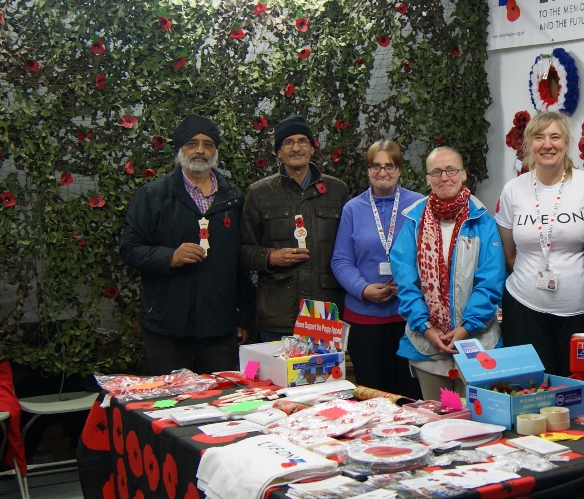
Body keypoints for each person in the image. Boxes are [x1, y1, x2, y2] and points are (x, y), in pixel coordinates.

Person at [119, 114, 254, 375]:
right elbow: (130, 249)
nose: (200, 150)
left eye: (208, 144)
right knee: (172, 406)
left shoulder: (232, 198)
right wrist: (170, 257)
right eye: (192, 143)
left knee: (219, 404)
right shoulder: (153, 195)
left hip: (219, 329)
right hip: (167, 328)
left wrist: (242, 317)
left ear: (215, 151)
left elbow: (240, 264)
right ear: (179, 148)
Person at [391, 147, 505, 400]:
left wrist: (467, 327)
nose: (445, 177)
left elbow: (490, 281)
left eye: (451, 170)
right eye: (437, 172)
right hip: (426, 345)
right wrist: (426, 328)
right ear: (428, 179)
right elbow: (406, 282)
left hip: (477, 341)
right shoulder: (413, 222)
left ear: (463, 174)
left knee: (477, 423)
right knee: (435, 424)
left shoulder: (483, 221)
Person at [495, 111, 584, 375]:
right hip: (524, 309)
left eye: (555, 137)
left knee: (580, 393)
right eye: (539, 137)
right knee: (529, 393)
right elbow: (509, 255)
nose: (547, 144)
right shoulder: (513, 189)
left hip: (583, 311)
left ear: (567, 143)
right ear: (529, 144)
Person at [240, 114, 350, 340]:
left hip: (324, 312)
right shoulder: (259, 193)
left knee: (322, 375)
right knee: (278, 376)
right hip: (278, 313)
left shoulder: (337, 191)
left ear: (312, 149)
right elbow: (243, 251)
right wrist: (271, 257)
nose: (296, 148)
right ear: (278, 152)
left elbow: (349, 249)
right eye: (288, 143)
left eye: (302, 141)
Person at [331, 140, 424, 397]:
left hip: (411, 316)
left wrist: (408, 283)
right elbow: (341, 260)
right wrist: (363, 289)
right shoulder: (352, 208)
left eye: (389, 166)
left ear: (399, 169)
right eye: (376, 166)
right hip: (365, 318)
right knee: (372, 394)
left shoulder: (419, 205)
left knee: (410, 394)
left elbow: (431, 255)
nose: (382, 172)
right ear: (368, 169)